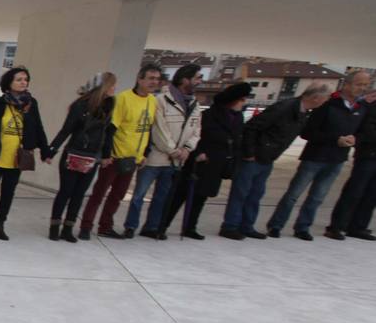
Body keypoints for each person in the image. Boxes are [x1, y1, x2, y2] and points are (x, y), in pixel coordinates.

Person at [267, 70, 371, 240]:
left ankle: (303, 227)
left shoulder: (362, 107)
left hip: (337, 159)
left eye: (366, 85)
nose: (362, 88)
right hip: (314, 157)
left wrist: (355, 139)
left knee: (317, 197)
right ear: (347, 84)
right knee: (293, 194)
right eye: (359, 84)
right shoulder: (328, 104)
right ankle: (276, 225)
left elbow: (363, 132)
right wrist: (335, 139)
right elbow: (307, 132)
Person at [219, 83, 331, 239]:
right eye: (325, 99)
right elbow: (252, 127)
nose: (325, 102)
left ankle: (246, 225)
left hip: (267, 157)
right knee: (241, 192)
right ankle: (230, 226)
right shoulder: (285, 108)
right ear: (316, 98)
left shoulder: (303, 112)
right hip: (255, 157)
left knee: (256, 193)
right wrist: (249, 153)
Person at [157, 82, 251, 239]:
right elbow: (196, 135)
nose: (244, 103)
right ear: (233, 100)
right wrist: (198, 153)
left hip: (216, 165)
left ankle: (190, 227)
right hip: (199, 163)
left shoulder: (237, 118)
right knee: (179, 196)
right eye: (242, 100)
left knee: (201, 197)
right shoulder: (210, 115)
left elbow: (236, 140)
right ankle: (162, 226)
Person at [79, 64, 161, 240]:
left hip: (133, 158)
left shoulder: (153, 101)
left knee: (118, 195)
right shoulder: (123, 99)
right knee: (99, 193)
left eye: (157, 79)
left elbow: (149, 129)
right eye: (150, 78)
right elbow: (111, 129)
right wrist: (107, 155)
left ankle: (105, 226)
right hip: (115, 156)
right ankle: (86, 226)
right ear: (140, 79)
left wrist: (144, 154)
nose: (154, 82)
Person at [0, 66, 52, 240]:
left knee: (8, 193)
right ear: (9, 82)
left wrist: (45, 151)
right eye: (19, 79)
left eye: (25, 79)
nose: (23, 82)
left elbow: (38, 127)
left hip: (17, 157)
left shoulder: (31, 103)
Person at [132, 64, 201, 238]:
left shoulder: (195, 104)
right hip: (156, 157)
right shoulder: (161, 100)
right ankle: (131, 226)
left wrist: (187, 149)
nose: (200, 81)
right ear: (185, 79)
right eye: (197, 77)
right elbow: (159, 129)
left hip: (175, 161)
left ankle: (152, 228)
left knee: (162, 197)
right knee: (139, 195)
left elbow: (196, 131)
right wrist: (172, 150)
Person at [46, 73, 117, 242]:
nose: (115, 88)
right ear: (103, 87)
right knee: (66, 192)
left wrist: (106, 155)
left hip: (92, 157)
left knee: (79, 194)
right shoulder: (80, 106)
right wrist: (51, 150)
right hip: (74, 154)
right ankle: (54, 227)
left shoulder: (109, 106)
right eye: (113, 85)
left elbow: (107, 133)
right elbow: (66, 130)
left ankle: (68, 228)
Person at [323, 95, 376, 240]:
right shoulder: (370, 106)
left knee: (372, 195)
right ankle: (337, 226)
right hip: (369, 154)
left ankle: (358, 226)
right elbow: (367, 128)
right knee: (354, 191)